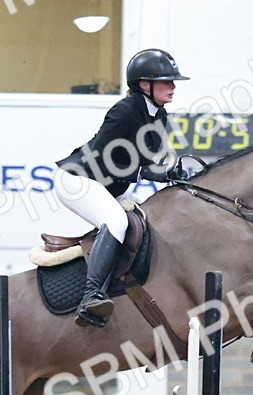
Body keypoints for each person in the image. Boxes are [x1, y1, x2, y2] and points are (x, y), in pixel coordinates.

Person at [54, 48, 189, 328]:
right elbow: (103, 156)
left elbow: (146, 160)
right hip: (78, 180)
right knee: (116, 221)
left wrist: (169, 170)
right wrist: (147, 171)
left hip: (109, 186)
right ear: (144, 85)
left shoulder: (159, 116)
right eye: (166, 81)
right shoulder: (124, 110)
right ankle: (91, 295)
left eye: (173, 81)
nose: (173, 87)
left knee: (148, 218)